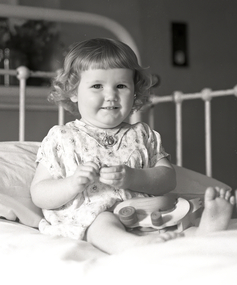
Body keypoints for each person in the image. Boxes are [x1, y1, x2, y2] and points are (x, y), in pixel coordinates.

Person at [28, 38, 236, 255]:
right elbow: (39, 193)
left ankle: (205, 232)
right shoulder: (61, 137)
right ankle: (130, 245)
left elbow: (167, 178)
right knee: (101, 223)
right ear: (73, 91)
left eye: (121, 86)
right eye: (97, 86)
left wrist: (133, 177)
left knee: (170, 224)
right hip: (95, 216)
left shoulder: (142, 134)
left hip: (144, 213)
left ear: (134, 91)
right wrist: (72, 183)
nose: (111, 95)